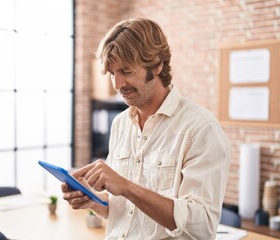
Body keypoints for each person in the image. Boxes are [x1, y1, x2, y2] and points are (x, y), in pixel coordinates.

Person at [62, 17, 230, 239]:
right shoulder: (121, 124)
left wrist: (126, 187)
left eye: (127, 71)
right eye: (113, 73)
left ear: (158, 64)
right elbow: (122, 210)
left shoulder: (200, 128)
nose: (117, 84)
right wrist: (93, 200)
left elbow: (201, 227)